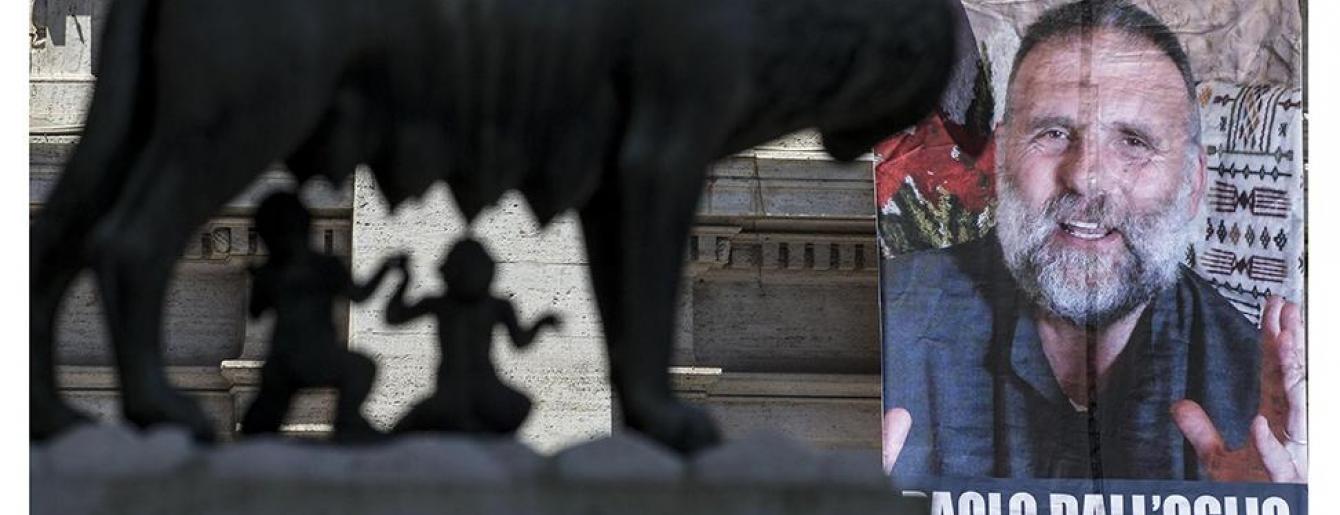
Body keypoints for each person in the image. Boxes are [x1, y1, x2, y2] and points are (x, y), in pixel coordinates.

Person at [880, 0, 1306, 483]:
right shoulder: (889, 324)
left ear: (1192, 183)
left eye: (1134, 141)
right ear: (1000, 161)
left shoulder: (1255, 399)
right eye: (1054, 133)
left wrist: (1285, 506)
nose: (1085, 177)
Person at [241, 191, 401, 443]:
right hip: (313, 355)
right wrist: (387, 269)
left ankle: (343, 423)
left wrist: (261, 278)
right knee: (361, 368)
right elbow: (359, 295)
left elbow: (256, 312)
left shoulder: (276, 271)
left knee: (264, 415)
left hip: (288, 358)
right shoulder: (323, 266)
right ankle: (347, 422)